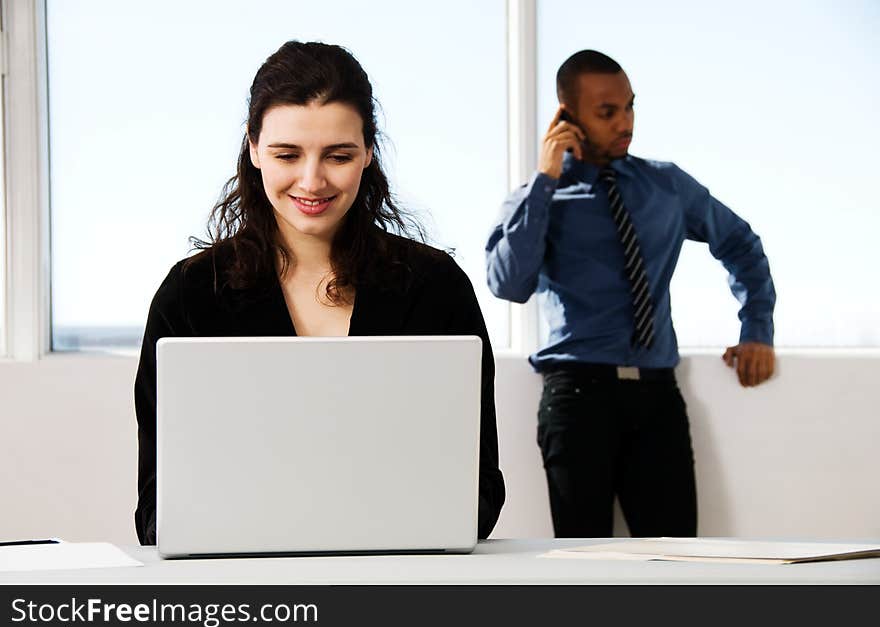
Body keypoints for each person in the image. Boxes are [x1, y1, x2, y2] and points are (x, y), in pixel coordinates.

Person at [135, 41, 505, 545]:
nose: (312, 181)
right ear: (253, 147)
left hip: (404, 572)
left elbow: (479, 492)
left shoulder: (435, 287)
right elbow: (157, 512)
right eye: (287, 154)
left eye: (338, 155)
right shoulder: (191, 294)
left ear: (369, 152)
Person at [485, 49, 775, 538]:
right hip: (576, 397)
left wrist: (757, 330)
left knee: (678, 564)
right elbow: (508, 283)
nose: (626, 122)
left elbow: (741, 243)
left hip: (658, 393)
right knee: (586, 572)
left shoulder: (666, 185)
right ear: (567, 117)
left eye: (630, 106)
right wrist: (546, 180)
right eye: (607, 112)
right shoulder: (539, 197)